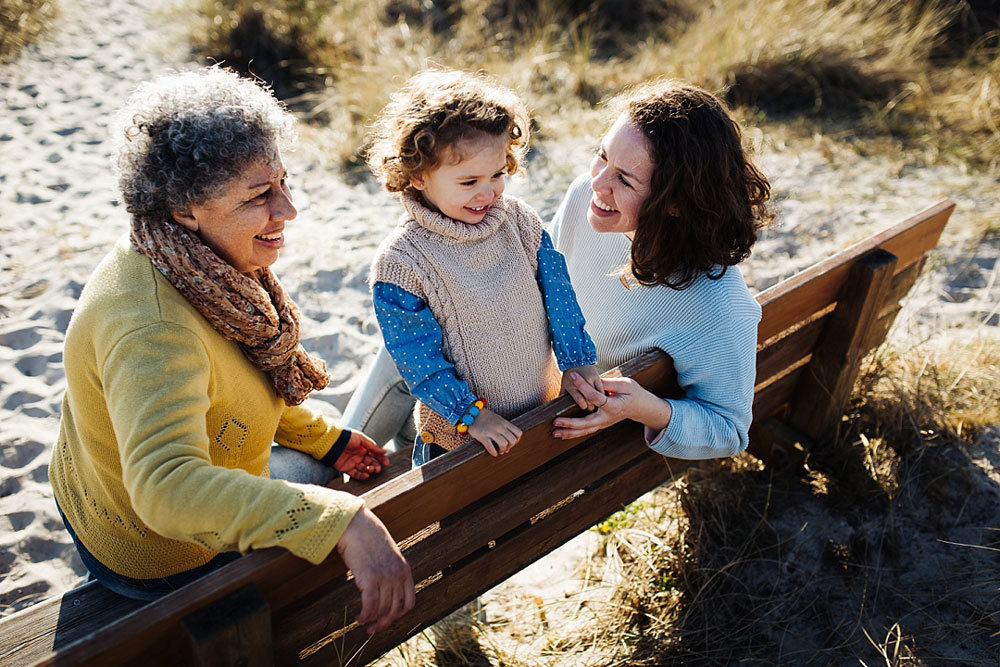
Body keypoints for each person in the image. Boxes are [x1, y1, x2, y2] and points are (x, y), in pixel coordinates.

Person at [48, 67, 414, 632]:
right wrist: (343, 523)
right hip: (156, 550)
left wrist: (327, 438)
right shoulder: (152, 326)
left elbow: (231, 386)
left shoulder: (197, 266)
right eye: (259, 196)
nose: (288, 209)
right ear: (184, 208)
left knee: (320, 454)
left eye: (284, 183)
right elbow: (166, 488)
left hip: (101, 482)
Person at [343, 79, 771, 460]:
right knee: (411, 350)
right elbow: (541, 285)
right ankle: (343, 459)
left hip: (546, 418)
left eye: (624, 180)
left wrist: (645, 408)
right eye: (602, 156)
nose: (597, 184)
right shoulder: (589, 199)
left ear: (675, 201)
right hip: (503, 376)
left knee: (407, 368)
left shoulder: (719, 308)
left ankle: (340, 468)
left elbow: (729, 431)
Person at [363, 69, 604, 467]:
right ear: (418, 176)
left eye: (497, 174)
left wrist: (577, 360)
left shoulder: (521, 223)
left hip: (538, 409)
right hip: (459, 438)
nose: (488, 192)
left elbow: (560, 298)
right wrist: (470, 414)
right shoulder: (402, 264)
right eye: (469, 180)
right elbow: (417, 359)